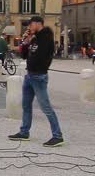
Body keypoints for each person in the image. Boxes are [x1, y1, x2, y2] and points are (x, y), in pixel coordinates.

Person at [8, 16, 64, 147]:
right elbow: (24, 55)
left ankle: (58, 135)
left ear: (38, 23)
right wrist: (26, 42)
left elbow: (43, 56)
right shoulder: (34, 38)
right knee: (26, 105)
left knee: (46, 107)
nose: (29, 27)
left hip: (39, 76)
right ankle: (24, 131)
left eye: (30, 24)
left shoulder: (46, 38)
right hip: (30, 75)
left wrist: (39, 67)